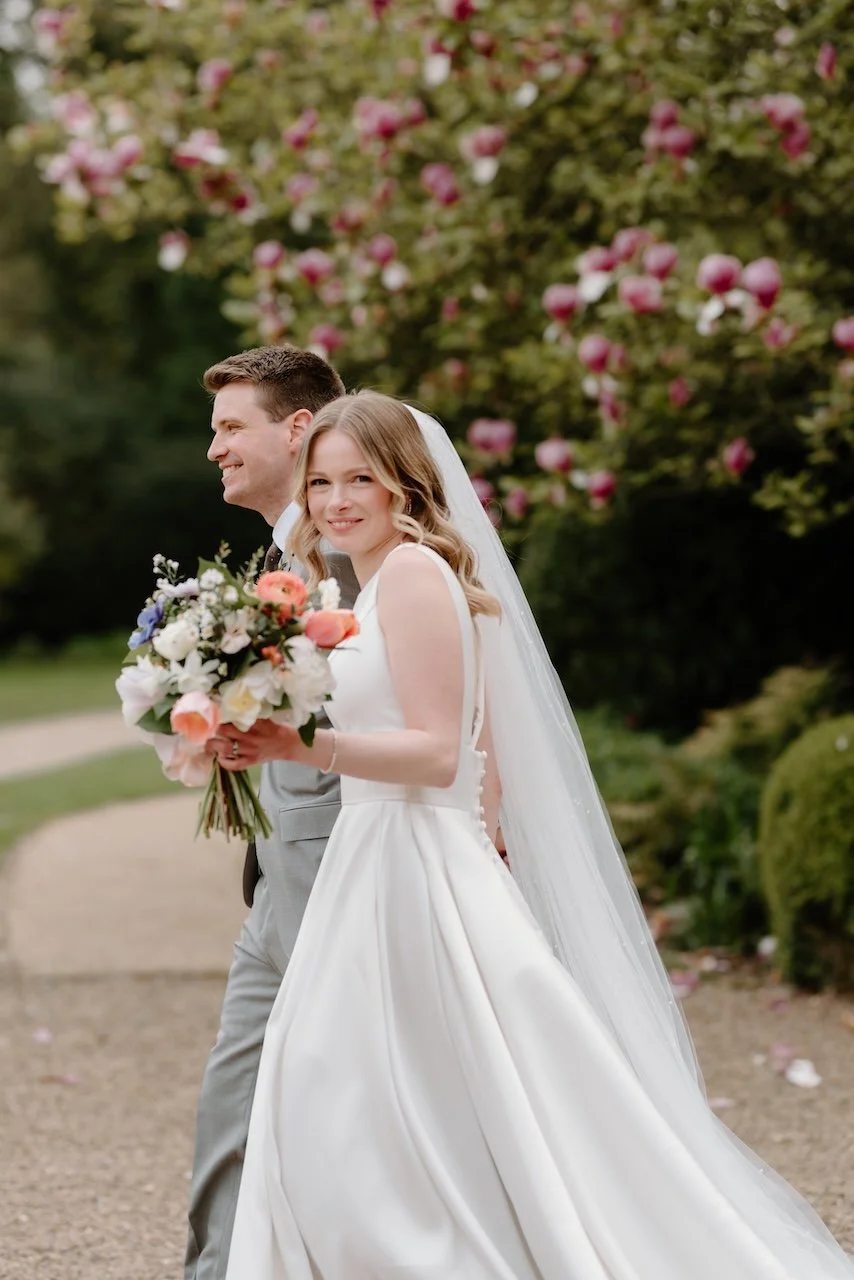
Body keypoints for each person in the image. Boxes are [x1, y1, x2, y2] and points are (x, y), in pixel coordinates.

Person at [215, 390, 854, 1279]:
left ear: (406, 482)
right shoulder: (366, 585)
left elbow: (441, 754)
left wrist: (300, 745)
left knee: (360, 1085)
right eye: (322, 482)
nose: (336, 500)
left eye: (361, 478)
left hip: (415, 864)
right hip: (376, 858)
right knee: (367, 1086)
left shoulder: (411, 574)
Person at [185, 345, 360, 1280]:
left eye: (229, 427)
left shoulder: (353, 550)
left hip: (347, 874)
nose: (213, 448)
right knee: (237, 1097)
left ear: (297, 429)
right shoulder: (282, 553)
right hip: (280, 882)